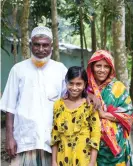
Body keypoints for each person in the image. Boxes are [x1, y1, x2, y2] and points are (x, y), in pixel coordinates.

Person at [0, 26, 100, 166]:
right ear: (30, 45)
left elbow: (73, 92)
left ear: (51, 46)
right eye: (37, 44)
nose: (41, 49)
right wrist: (9, 137)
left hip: (52, 143)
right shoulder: (18, 70)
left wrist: (89, 94)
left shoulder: (59, 69)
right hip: (24, 140)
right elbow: (9, 107)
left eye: (45, 45)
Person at [87, 50, 133, 166]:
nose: (102, 70)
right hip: (90, 148)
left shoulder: (118, 87)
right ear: (92, 66)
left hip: (117, 150)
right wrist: (89, 94)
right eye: (98, 65)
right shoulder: (83, 87)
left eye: (106, 66)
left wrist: (103, 114)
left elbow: (128, 115)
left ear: (111, 68)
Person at [51, 66, 101, 166]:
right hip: (63, 158)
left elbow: (95, 136)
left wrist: (91, 163)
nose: (74, 88)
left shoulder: (90, 106)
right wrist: (54, 161)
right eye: (71, 83)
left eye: (78, 84)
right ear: (66, 82)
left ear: (84, 85)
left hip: (84, 160)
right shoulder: (58, 105)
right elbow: (55, 135)